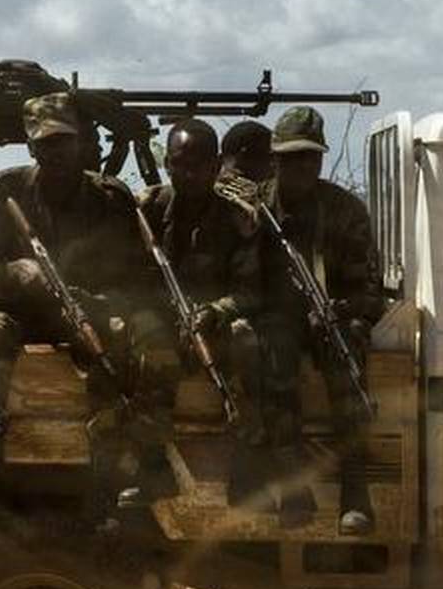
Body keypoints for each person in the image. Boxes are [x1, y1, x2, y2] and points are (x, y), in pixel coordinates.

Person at [0, 92, 180, 520]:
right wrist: (13, 272)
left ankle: (136, 466)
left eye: (64, 141)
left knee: (140, 335)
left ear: (81, 142)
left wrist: (105, 303)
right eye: (45, 143)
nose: (56, 152)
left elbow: (142, 276)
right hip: (28, 315)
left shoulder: (109, 198)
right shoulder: (7, 193)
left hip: (92, 315)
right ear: (31, 147)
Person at [144, 118, 314, 520]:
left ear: (217, 164)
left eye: (199, 165)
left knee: (248, 341)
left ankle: (252, 464)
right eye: (179, 164)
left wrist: (213, 312)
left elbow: (249, 291)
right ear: (167, 163)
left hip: (214, 328)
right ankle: (149, 467)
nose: (188, 174)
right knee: (145, 343)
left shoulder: (238, 219)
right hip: (165, 325)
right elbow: (127, 278)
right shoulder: (147, 210)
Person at [260, 105, 383, 536]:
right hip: (275, 320)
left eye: (309, 158)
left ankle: (355, 492)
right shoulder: (253, 207)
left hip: (332, 317)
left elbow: (369, 291)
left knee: (347, 348)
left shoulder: (345, 211)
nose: (301, 167)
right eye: (291, 158)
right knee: (272, 357)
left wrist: (341, 310)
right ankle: (295, 491)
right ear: (274, 159)